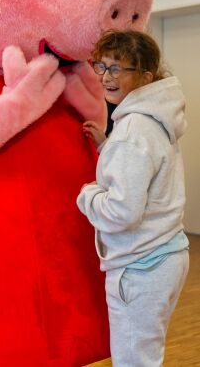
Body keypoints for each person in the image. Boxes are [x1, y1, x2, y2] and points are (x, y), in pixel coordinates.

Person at [77, 30, 189, 367]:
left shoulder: (131, 132)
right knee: (146, 353)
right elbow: (145, 169)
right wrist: (106, 146)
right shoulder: (154, 119)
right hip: (168, 254)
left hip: (141, 267)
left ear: (144, 77)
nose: (106, 77)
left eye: (118, 69)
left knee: (134, 360)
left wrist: (87, 195)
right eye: (103, 66)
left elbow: (121, 212)